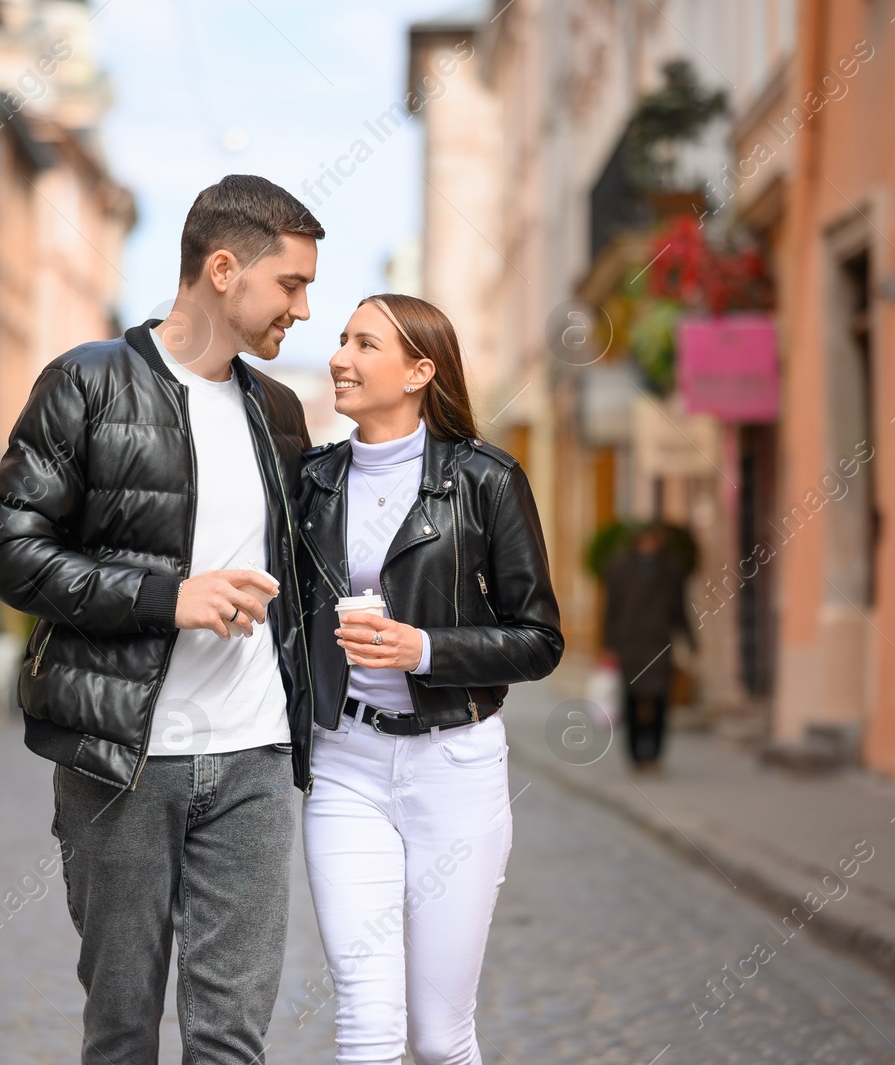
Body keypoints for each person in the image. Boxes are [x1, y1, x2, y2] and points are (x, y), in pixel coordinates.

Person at [0, 174, 322, 1065]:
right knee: (123, 1030)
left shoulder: (280, 413)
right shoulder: (86, 384)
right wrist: (167, 598)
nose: (305, 310)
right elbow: (8, 551)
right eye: (291, 284)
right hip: (121, 761)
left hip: (253, 758)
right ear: (221, 268)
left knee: (231, 1036)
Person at [297, 294, 564, 1064]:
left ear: (420, 370)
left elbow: (539, 639)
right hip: (346, 762)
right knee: (367, 1022)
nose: (339, 356)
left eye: (364, 344)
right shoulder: (312, 481)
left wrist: (423, 648)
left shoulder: (486, 479)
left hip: (456, 768)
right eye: (341, 340)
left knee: (439, 1035)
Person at [601, 522, 696, 767]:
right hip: (630, 644)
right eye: (645, 539)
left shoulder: (671, 569)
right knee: (631, 699)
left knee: (660, 699)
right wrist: (608, 644)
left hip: (659, 643)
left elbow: (680, 609)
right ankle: (634, 754)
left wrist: (690, 640)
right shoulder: (620, 567)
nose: (649, 545)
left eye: (654, 540)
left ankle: (655, 754)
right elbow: (611, 609)